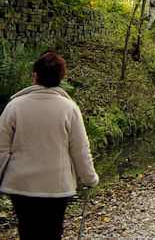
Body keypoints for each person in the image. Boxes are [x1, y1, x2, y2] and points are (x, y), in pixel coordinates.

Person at [0, 52, 99, 240]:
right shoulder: (69, 109)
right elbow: (79, 149)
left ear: (35, 76)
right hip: (56, 188)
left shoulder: (15, 106)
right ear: (60, 78)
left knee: (27, 230)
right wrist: (90, 178)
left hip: (21, 186)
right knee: (52, 232)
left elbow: (1, 149)